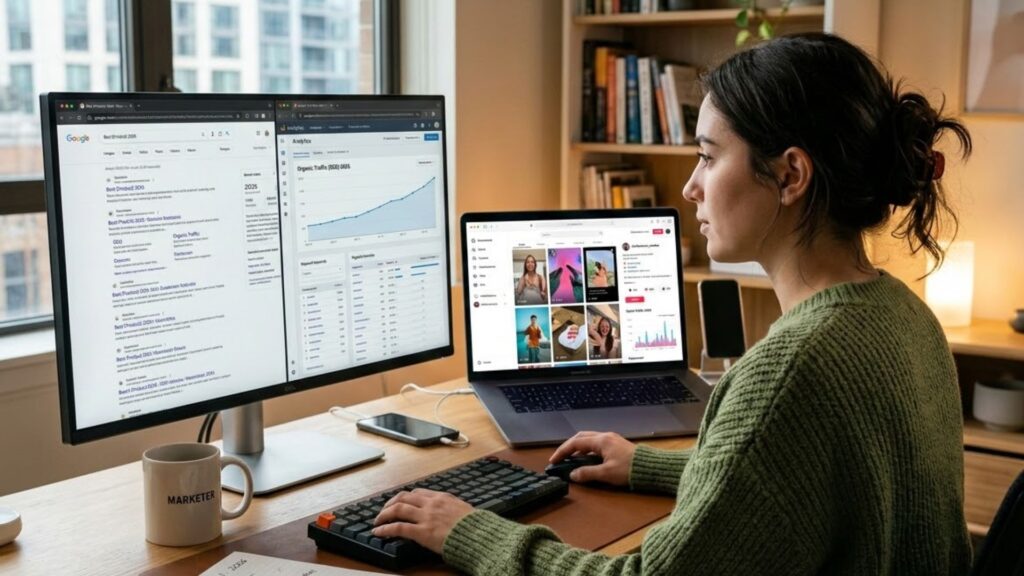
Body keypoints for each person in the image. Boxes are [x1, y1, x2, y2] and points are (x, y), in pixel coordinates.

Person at [371, 33, 973, 575]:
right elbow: (806, 480)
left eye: (708, 157)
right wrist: (650, 466)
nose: (690, 187)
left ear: (791, 176)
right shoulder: (905, 316)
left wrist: (469, 532)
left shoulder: (789, 372)